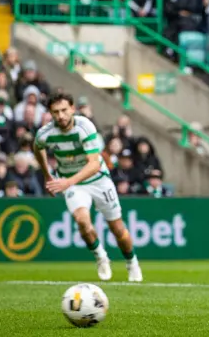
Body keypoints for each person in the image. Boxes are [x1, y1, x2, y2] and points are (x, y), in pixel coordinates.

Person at [33, 92, 142, 282]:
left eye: (64, 110)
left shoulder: (85, 127)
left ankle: (132, 262)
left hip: (98, 181)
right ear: (51, 113)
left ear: (73, 109)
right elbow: (37, 148)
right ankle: (101, 256)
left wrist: (67, 182)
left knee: (117, 228)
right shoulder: (45, 133)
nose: (61, 116)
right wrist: (47, 174)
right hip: (74, 184)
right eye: (56, 112)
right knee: (82, 221)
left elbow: (94, 164)